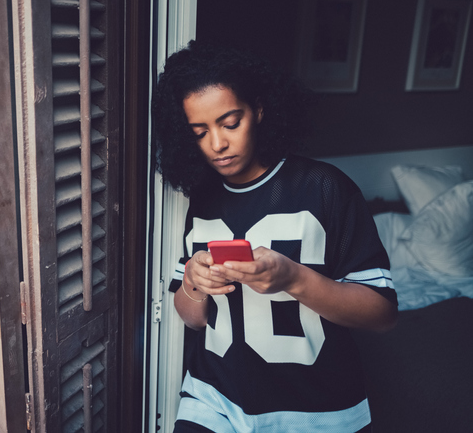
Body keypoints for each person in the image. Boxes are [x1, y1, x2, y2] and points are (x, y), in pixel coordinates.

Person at [151, 41, 398, 433]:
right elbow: (192, 317)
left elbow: (382, 314)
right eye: (200, 131)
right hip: (213, 396)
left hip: (315, 407)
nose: (217, 144)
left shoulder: (325, 188)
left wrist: (294, 278)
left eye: (230, 122)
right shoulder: (203, 199)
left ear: (260, 109)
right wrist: (195, 285)